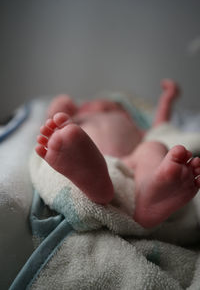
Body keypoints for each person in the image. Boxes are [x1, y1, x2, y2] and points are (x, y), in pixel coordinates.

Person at [35, 80, 200, 229]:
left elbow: (160, 127)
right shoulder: (77, 118)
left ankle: (148, 196)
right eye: (91, 104)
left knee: (154, 145)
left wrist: (167, 99)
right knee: (63, 135)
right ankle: (93, 181)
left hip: (130, 162)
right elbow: (52, 121)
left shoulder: (134, 125)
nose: (98, 106)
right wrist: (60, 106)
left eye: (110, 107)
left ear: (127, 115)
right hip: (86, 156)